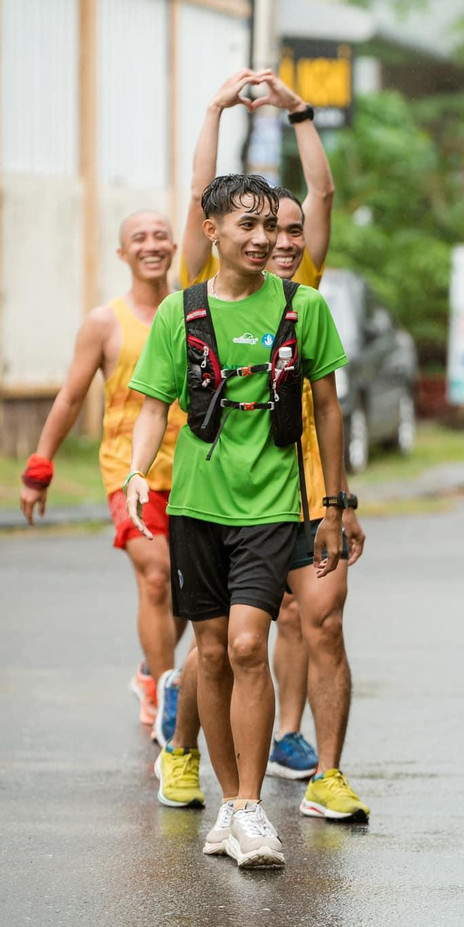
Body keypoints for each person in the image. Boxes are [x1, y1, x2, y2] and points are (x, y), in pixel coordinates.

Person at [158, 68, 370, 824]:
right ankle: (184, 745)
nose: (277, 240)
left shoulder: (300, 290)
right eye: (261, 228)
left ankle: (318, 765)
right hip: (222, 484)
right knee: (223, 641)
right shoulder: (204, 281)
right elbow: (201, 192)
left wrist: (301, 112)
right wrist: (216, 108)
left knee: (321, 620)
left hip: (304, 485)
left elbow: (325, 193)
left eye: (288, 230)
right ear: (228, 233)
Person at [125, 173, 348, 869]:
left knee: (251, 644)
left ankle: (250, 804)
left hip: (272, 507)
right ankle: (230, 803)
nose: (261, 238)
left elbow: (328, 408)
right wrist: (137, 470)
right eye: (246, 225)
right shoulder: (180, 312)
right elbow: (154, 405)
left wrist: (335, 505)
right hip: (195, 507)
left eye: (270, 225)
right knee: (214, 652)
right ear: (212, 230)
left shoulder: (303, 306)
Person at [19, 211, 189, 739]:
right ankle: (166, 694)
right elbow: (71, 397)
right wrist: (40, 467)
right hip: (128, 471)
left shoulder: (194, 311)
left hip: (193, 472)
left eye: (160, 236)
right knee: (156, 576)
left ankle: (149, 671)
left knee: (188, 588)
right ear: (122, 253)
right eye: (139, 238)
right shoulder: (104, 322)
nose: (151, 245)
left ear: (174, 246)